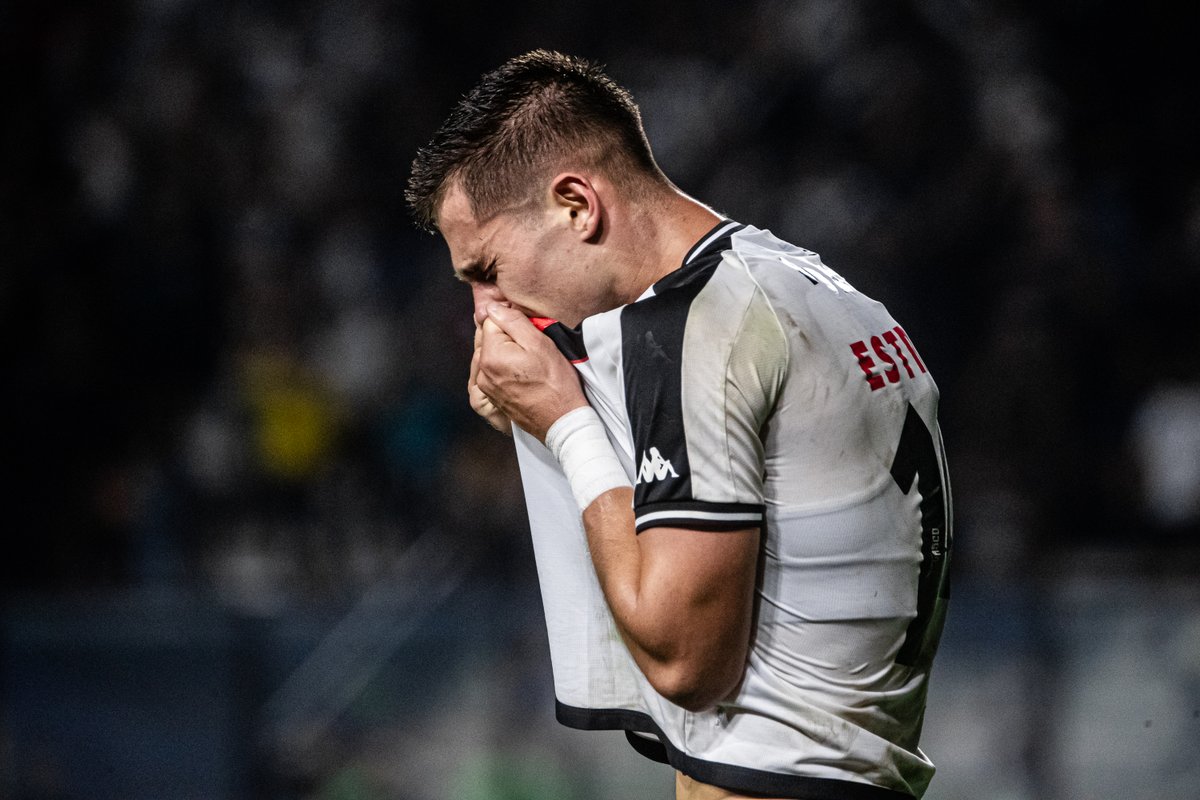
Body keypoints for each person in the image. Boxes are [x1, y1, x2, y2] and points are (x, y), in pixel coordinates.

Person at [406, 50, 952, 800]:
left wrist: (564, 423)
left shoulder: (696, 326)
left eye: (487, 270)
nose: (484, 311)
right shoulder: (798, 282)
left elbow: (686, 662)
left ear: (576, 206)